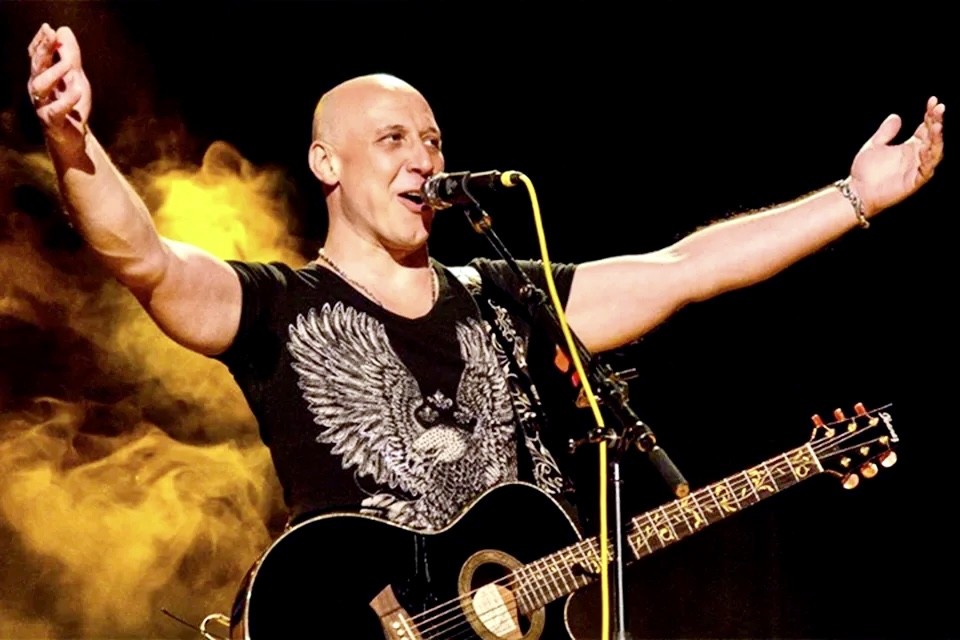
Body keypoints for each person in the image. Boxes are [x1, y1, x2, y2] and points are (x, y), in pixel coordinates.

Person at [26, 19, 944, 632]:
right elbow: (146, 258)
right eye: (392, 139)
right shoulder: (280, 307)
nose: (423, 159)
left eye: (432, 140)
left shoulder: (507, 299)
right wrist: (73, 139)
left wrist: (853, 197)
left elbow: (683, 268)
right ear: (327, 162)